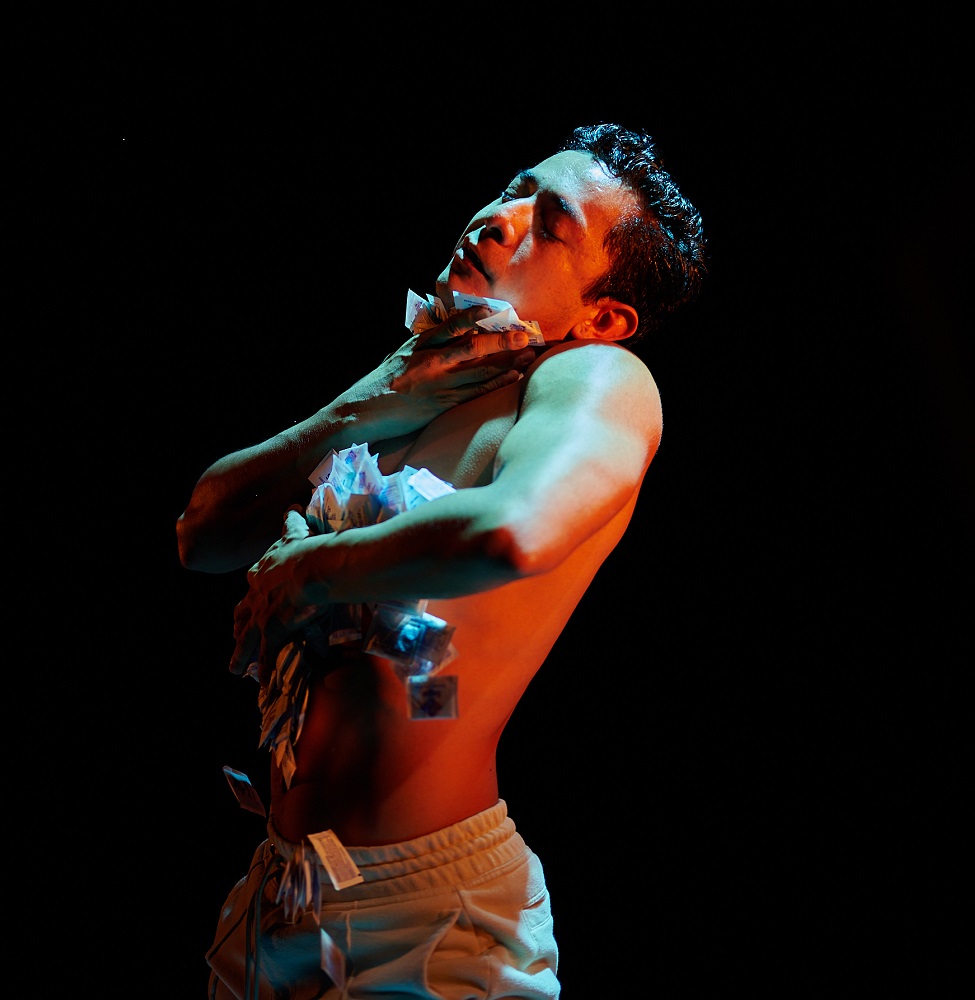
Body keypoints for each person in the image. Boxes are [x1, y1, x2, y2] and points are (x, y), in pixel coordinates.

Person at [176, 122, 707, 999]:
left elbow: (513, 530)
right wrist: (376, 394)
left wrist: (308, 571)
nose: (500, 218)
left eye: (550, 225)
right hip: (279, 898)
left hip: (428, 920)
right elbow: (200, 532)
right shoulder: (423, 381)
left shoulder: (593, 379)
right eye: (513, 188)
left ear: (602, 318)